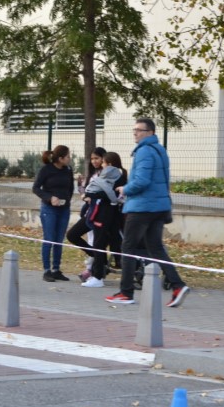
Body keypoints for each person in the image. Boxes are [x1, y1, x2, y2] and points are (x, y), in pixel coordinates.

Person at [106, 118, 190, 307]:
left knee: (127, 247)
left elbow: (142, 181)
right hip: (159, 207)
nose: (135, 133)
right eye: (134, 129)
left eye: (139, 130)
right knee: (155, 248)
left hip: (142, 208)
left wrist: (125, 189)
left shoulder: (144, 151)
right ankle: (178, 285)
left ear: (150, 132)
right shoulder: (159, 150)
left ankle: (126, 292)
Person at [68, 152, 127, 288]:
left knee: (99, 243)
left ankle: (98, 277)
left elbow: (113, 196)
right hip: (93, 212)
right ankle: (99, 259)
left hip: (105, 215)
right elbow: (93, 190)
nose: (100, 164)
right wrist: (89, 194)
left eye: (103, 162)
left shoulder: (119, 178)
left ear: (109, 164)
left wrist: (93, 194)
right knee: (72, 235)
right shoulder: (101, 176)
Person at [32, 145, 74, 282]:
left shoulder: (68, 170)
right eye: (68, 156)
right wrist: (50, 198)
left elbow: (70, 188)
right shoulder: (46, 170)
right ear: (60, 158)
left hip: (64, 209)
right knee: (49, 238)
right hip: (49, 209)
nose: (70, 158)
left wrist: (66, 200)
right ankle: (47, 270)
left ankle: (56, 269)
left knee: (59, 240)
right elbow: (36, 188)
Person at [75, 147, 106, 280]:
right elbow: (86, 192)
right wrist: (81, 188)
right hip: (89, 211)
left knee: (95, 241)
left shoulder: (105, 174)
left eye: (97, 158)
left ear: (103, 158)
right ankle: (96, 262)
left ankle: (92, 268)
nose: (94, 161)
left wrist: (89, 196)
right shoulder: (92, 174)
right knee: (86, 239)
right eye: (92, 159)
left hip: (99, 213)